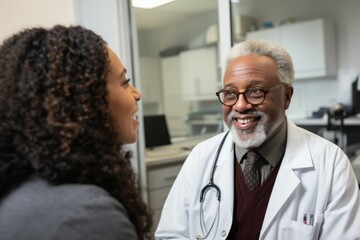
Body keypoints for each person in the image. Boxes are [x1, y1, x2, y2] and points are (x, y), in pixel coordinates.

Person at [155, 39, 360, 239]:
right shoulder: (201, 157)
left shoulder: (331, 164)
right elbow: (170, 234)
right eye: (230, 93)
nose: (240, 105)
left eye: (255, 91)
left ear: (286, 96)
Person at [0, 25, 152, 239]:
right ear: (83, 101)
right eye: (125, 82)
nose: (137, 94)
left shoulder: (18, 189)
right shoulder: (87, 216)